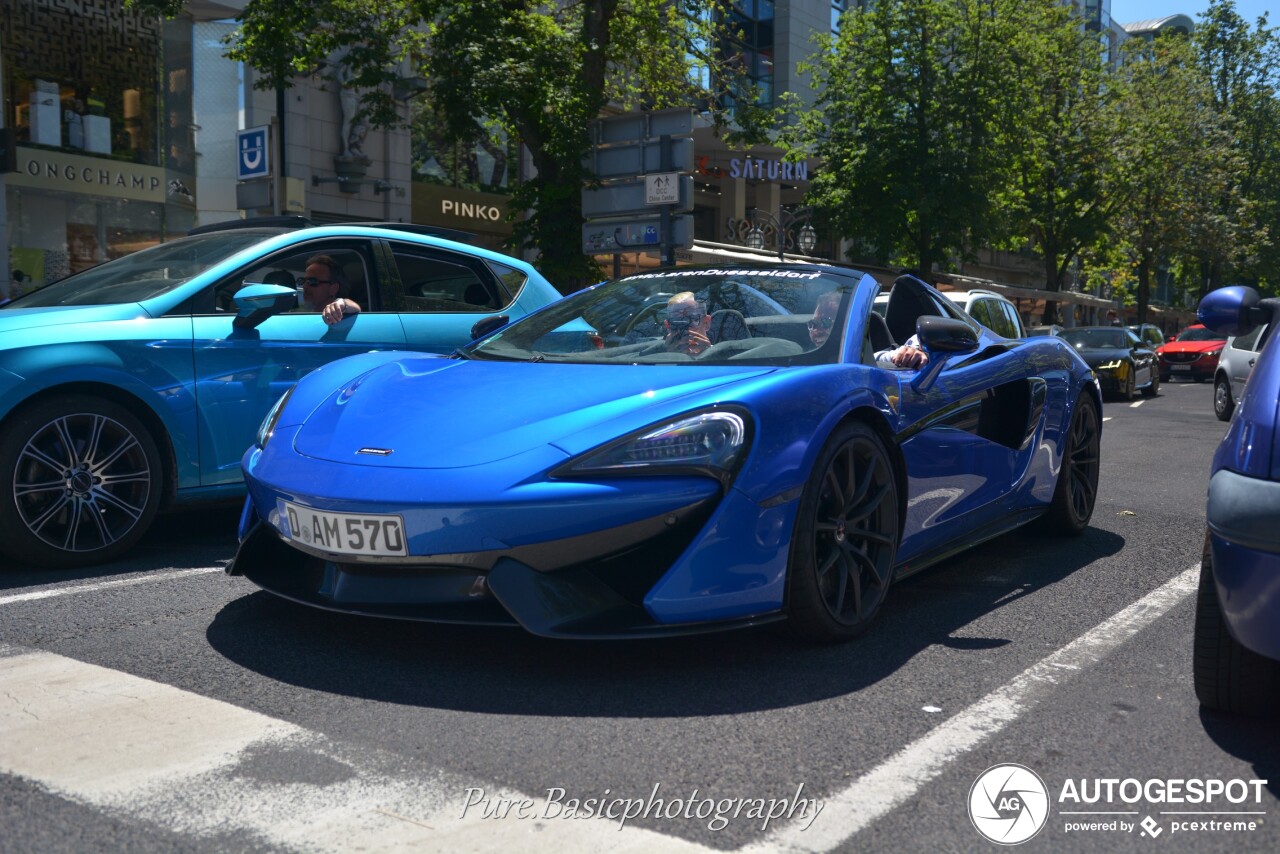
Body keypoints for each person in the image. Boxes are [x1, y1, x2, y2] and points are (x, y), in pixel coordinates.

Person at [299, 255, 361, 325]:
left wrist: (342, 304)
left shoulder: (339, 319)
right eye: (303, 281)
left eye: (312, 281)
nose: (304, 286)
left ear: (333, 288)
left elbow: (354, 307)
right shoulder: (300, 315)